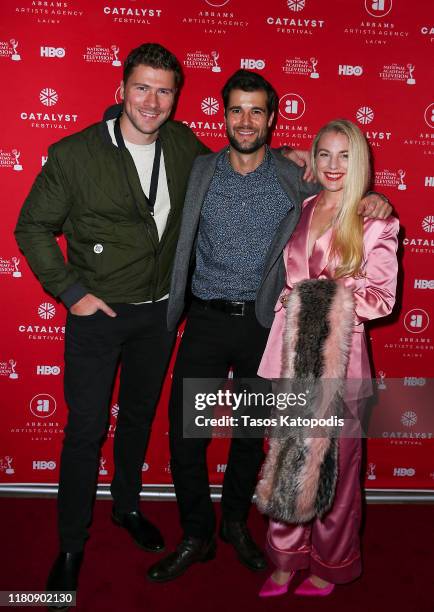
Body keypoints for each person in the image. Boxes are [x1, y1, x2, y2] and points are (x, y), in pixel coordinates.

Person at [14, 44, 311, 604]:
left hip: (176, 319)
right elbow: (31, 227)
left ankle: (135, 508)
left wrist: (311, 163)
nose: (152, 101)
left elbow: (273, 167)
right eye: (143, 88)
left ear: (177, 98)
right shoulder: (77, 153)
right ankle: (74, 545)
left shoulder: (184, 148)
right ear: (122, 88)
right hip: (106, 316)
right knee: (88, 432)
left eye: (164, 90)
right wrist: (72, 292)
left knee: (150, 422)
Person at [147, 72, 391, 583]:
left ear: (271, 118)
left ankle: (236, 523)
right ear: (224, 114)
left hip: (264, 327)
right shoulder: (199, 170)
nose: (246, 120)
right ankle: (197, 533)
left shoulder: (293, 175)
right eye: (237, 110)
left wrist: (376, 200)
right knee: (187, 434)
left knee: (251, 433)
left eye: (257, 111)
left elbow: (339, 193)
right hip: (207, 322)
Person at [257, 119, 399, 598]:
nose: (334, 166)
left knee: (337, 469)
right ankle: (285, 557)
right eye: (324, 155)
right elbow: (256, 151)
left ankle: (330, 563)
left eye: (344, 156)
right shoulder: (302, 207)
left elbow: (381, 298)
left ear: (359, 160)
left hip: (343, 361)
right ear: (312, 161)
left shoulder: (375, 218)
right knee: (287, 457)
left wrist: (320, 295)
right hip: (289, 354)